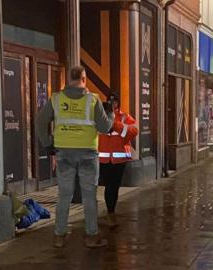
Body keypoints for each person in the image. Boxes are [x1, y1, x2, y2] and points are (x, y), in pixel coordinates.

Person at [35, 66, 114, 248]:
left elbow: (40, 120)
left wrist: (48, 143)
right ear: (84, 79)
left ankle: (59, 236)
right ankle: (91, 236)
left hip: (64, 154)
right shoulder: (92, 100)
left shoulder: (56, 99)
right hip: (87, 154)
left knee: (64, 195)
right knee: (89, 196)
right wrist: (109, 113)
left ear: (68, 79)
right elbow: (104, 128)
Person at [98, 92, 138, 228]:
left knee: (114, 188)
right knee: (108, 187)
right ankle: (110, 213)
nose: (112, 104)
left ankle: (111, 212)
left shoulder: (124, 117)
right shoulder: (99, 116)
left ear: (118, 103)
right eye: (110, 101)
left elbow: (133, 131)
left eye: (115, 102)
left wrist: (115, 125)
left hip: (119, 160)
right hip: (103, 159)